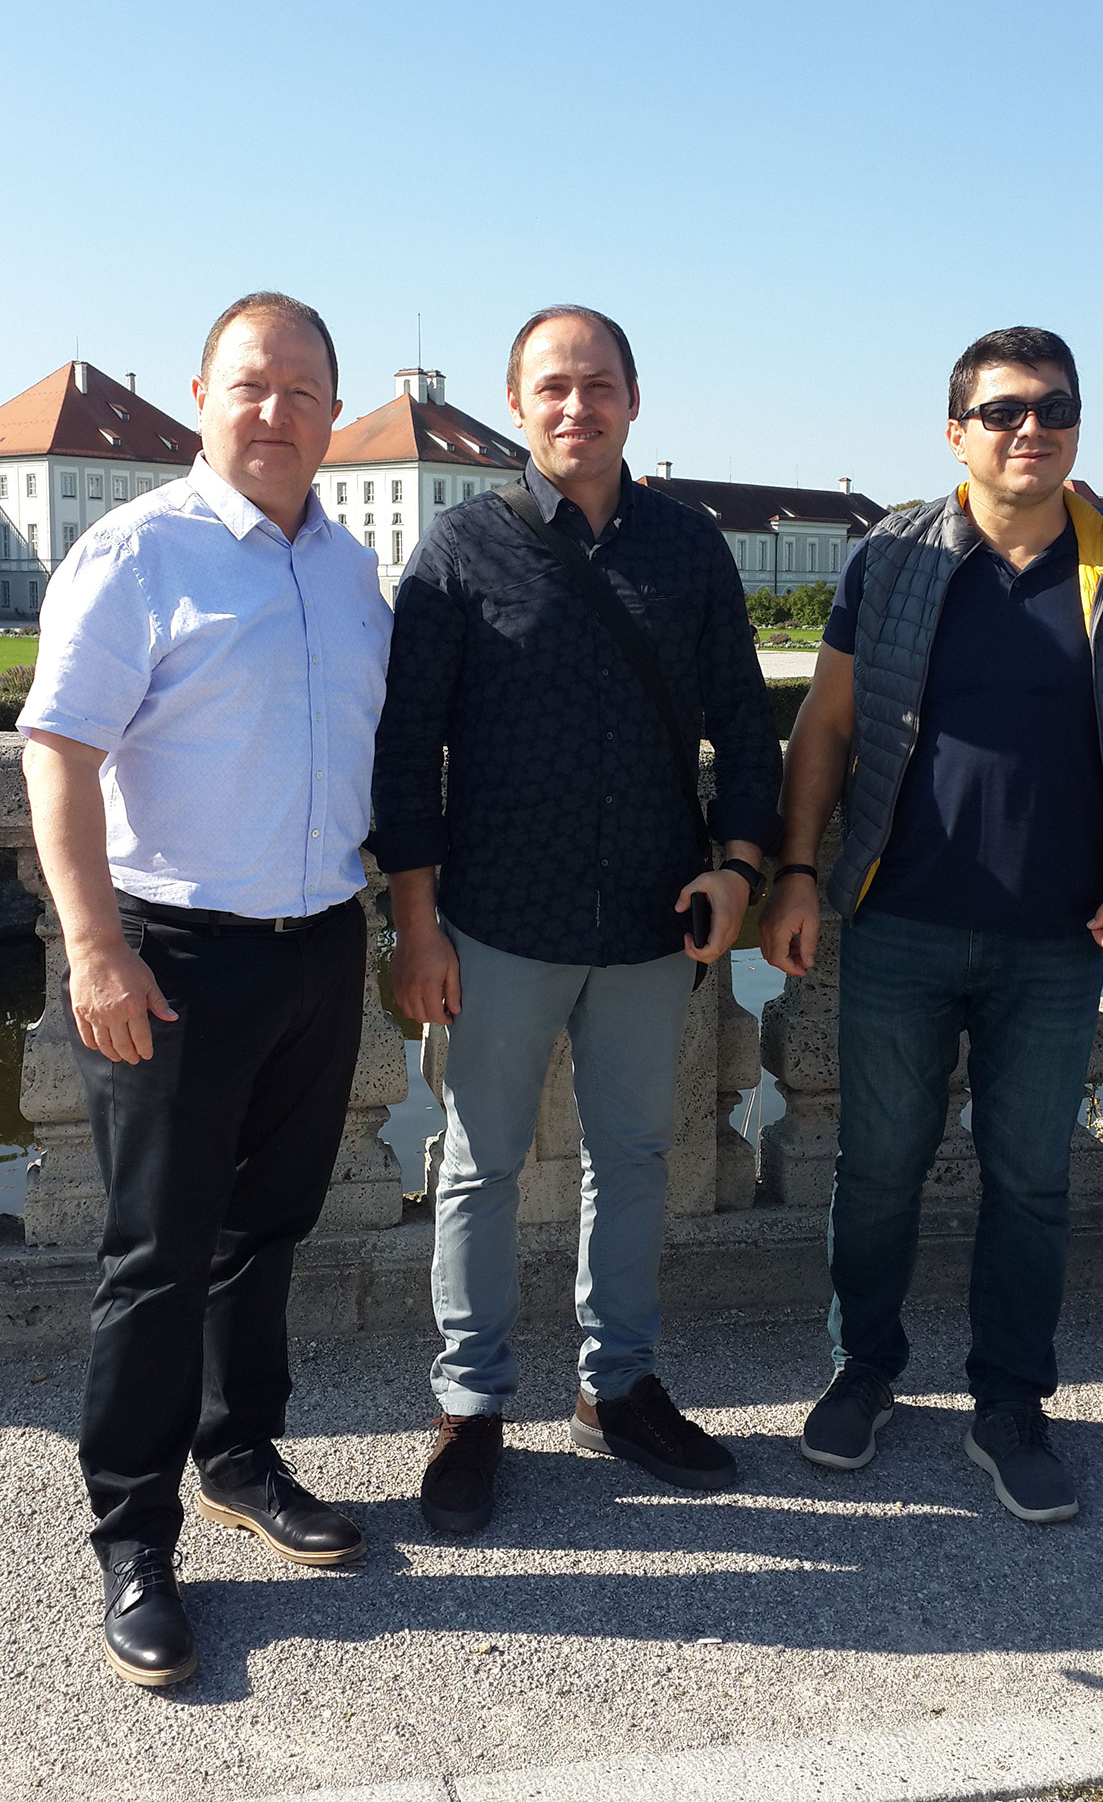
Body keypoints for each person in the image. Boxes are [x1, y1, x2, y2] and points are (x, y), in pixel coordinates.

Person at [759, 326, 1103, 1524]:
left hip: (1062, 932)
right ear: (956, 434)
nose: (1030, 428)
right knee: (876, 1170)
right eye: (1003, 411)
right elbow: (826, 725)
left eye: (1053, 407)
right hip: (898, 917)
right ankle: (864, 1368)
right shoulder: (893, 556)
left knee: (1031, 1181)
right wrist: (794, 870)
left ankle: (1010, 1402)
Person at [20, 292, 392, 1686]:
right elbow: (58, 752)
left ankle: (240, 1456)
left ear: (333, 410)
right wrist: (94, 949)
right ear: (202, 396)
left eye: (304, 390)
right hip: (169, 954)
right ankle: (133, 1535)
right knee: (157, 1257)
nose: (276, 411)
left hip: (317, 942)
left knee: (266, 1228)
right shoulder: (137, 551)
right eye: (252, 384)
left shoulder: (350, 570)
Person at [372, 304, 781, 1533]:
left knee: (635, 1159)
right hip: (498, 917)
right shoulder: (460, 549)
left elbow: (744, 725)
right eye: (552, 386)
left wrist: (740, 867)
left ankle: (619, 1389)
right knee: (478, 1168)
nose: (576, 406)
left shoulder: (689, 548)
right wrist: (417, 923)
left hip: (655, 916)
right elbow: (406, 753)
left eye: (599, 385)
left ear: (633, 402)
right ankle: (470, 1405)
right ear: (517, 405)